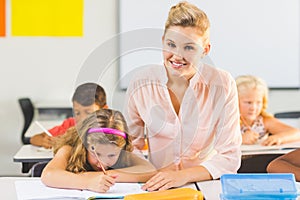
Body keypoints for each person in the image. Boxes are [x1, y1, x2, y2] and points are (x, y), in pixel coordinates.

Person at [123, 1, 242, 191]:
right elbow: (130, 147)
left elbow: (229, 156)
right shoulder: (141, 83)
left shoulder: (222, 84)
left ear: (205, 50)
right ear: (163, 41)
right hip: (155, 185)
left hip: (205, 185)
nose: (177, 56)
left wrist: (180, 177)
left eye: (189, 48)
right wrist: (148, 175)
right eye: (171, 44)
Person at [41, 109, 156, 193]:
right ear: (84, 144)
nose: (103, 163)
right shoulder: (69, 150)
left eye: (111, 155)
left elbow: (150, 170)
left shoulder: (122, 152)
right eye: (97, 154)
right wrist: (88, 182)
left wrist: (106, 176)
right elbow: (48, 175)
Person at [29, 82, 108, 149]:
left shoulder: (111, 127)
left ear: (104, 110)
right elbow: (34, 139)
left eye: (88, 113)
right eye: (77, 113)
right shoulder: (71, 125)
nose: (82, 118)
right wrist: (45, 142)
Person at [236, 75, 300, 145]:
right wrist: (241, 139)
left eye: (258, 102)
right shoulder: (229, 121)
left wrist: (279, 138)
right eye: (248, 102)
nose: (253, 108)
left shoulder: (264, 121)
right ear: (235, 101)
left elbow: (297, 133)